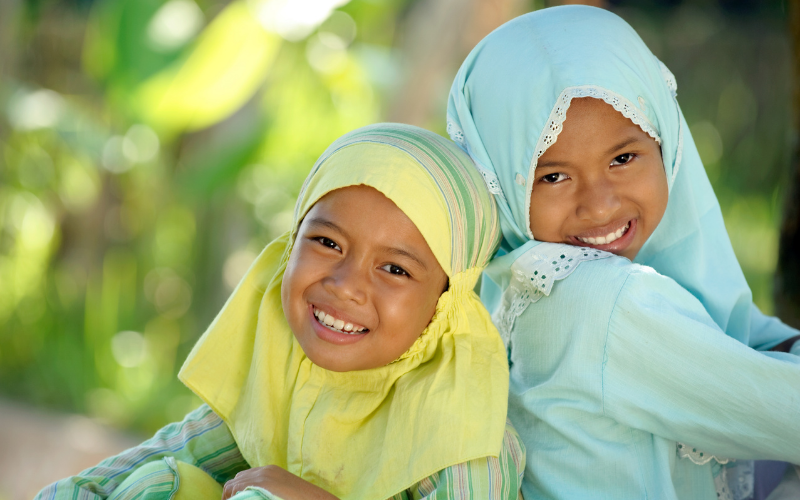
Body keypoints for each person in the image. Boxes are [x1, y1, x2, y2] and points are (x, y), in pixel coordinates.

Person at [35, 123, 525, 500]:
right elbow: (123, 474)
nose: (346, 285)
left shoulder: (465, 443)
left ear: (446, 302)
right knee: (160, 483)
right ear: (289, 245)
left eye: (395, 270)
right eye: (328, 242)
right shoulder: (278, 378)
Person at [446, 6, 800, 500]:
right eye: (553, 176)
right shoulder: (602, 302)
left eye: (623, 158)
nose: (600, 205)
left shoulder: (513, 285)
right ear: (500, 184)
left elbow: (745, 346)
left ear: (666, 142)